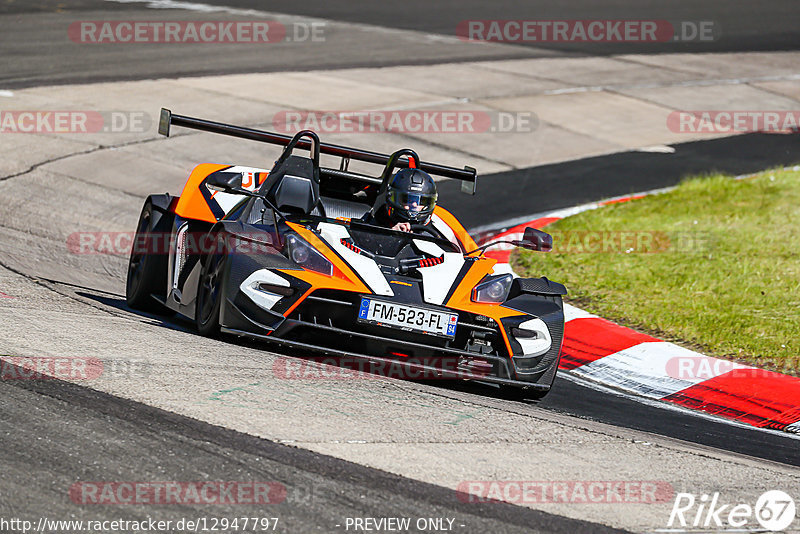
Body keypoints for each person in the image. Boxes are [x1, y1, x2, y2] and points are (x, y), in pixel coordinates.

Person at [363, 168, 438, 232]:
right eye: (406, 200)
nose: (414, 205)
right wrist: (389, 234)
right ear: (392, 198)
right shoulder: (375, 222)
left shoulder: (440, 225)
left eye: (421, 201)